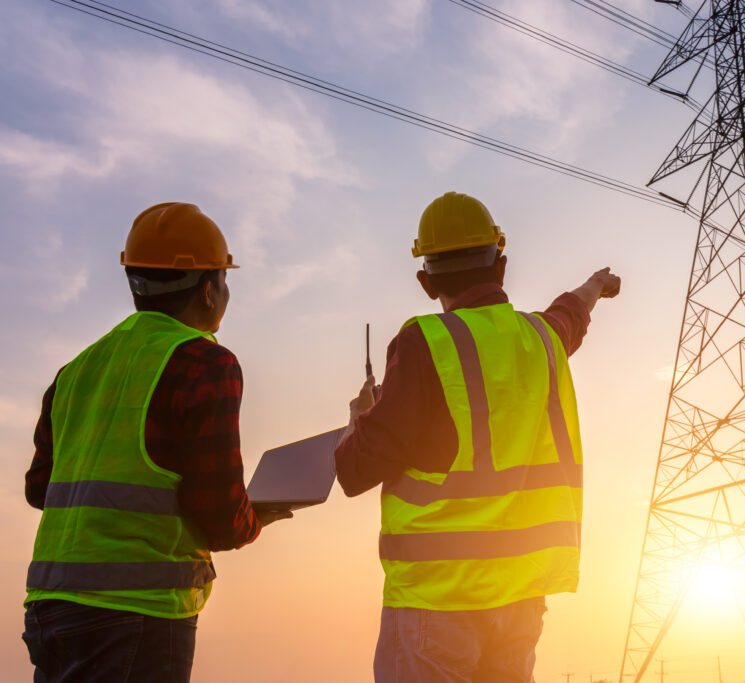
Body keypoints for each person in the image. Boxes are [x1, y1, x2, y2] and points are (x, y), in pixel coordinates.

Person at [335, 191, 620, 682]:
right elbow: (569, 315)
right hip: (519, 599)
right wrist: (595, 285)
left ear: (426, 283)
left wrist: (360, 416)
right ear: (501, 267)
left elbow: (356, 469)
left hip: (438, 600)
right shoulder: (541, 340)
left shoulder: (423, 343)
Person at [22, 202, 290, 682]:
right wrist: (253, 518)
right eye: (225, 279)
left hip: (49, 610)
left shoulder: (77, 369)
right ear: (209, 291)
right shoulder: (205, 364)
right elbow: (218, 511)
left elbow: (41, 489)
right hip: (136, 616)